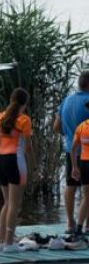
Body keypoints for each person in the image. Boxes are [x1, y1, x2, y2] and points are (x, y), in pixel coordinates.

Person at [0, 88, 32, 253]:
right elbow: (27, 147)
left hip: (0, 159)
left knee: (6, 203)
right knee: (14, 204)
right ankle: (9, 243)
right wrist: (33, 163)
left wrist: (1, 150)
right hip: (16, 160)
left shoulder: (0, 117)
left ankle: (0, 241)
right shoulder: (24, 120)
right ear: (25, 104)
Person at [54, 71, 89, 235]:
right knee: (87, 191)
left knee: (70, 186)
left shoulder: (67, 100)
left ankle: (69, 223)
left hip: (70, 150)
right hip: (86, 153)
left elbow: (56, 127)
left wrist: (69, 136)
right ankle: (86, 225)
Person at [69, 103, 89, 238]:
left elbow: (73, 149)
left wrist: (75, 167)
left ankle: (80, 227)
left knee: (86, 196)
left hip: (84, 163)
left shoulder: (81, 126)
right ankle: (81, 226)